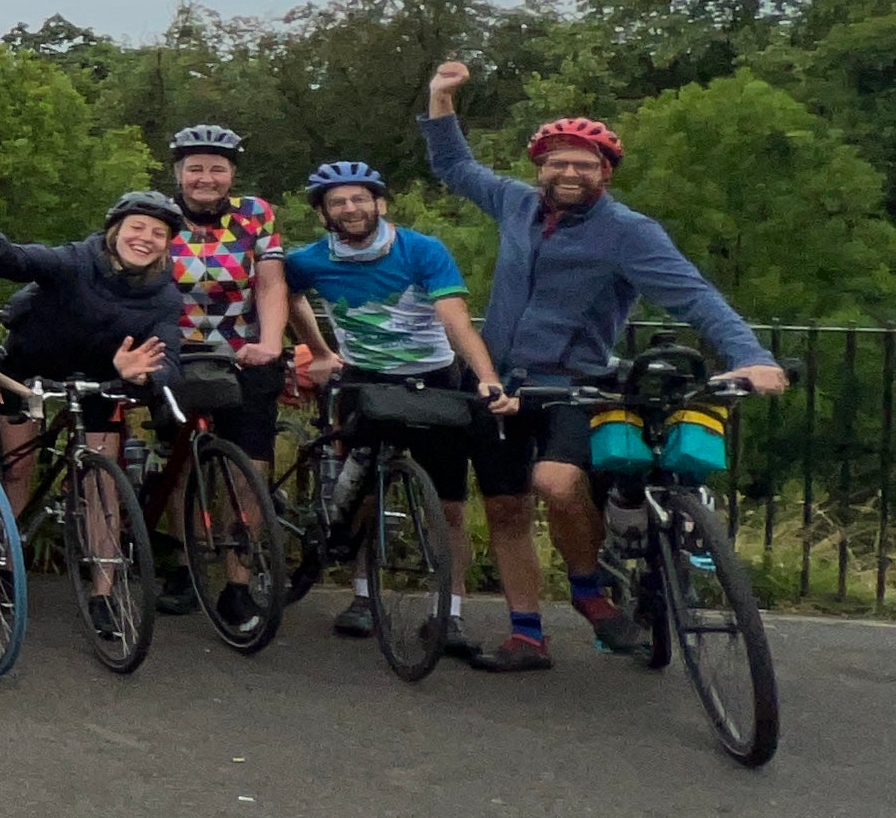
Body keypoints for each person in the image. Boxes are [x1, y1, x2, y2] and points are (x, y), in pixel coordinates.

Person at [422, 62, 789, 664]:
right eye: (557, 162)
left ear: (605, 173)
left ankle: (589, 592)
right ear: (539, 168)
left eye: (584, 164)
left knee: (556, 483)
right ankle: (527, 634)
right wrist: (440, 98)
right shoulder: (516, 205)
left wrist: (749, 356)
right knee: (506, 506)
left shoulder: (629, 232)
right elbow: (454, 167)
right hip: (495, 382)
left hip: (573, 385)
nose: (569, 172)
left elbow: (695, 296)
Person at [281, 160, 519, 653]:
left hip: (433, 378)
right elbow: (287, 295)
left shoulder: (422, 251)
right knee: (364, 493)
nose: (350, 208)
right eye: (338, 202)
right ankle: (364, 596)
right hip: (364, 380)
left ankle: (448, 615)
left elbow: (455, 322)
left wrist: (487, 378)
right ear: (324, 214)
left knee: (450, 507)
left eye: (360, 199)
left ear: (380, 203)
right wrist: (321, 350)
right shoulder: (307, 260)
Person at [0, 186, 181, 500]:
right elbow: (22, 261)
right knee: (16, 471)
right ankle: (8, 546)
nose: (146, 238)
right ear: (115, 231)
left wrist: (142, 375)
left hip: (98, 380)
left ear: (167, 245)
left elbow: (168, 357)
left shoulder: (166, 298)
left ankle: (103, 552)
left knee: (100, 482)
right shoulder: (77, 260)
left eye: (158, 233)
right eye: (137, 227)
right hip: (29, 368)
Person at [149, 122, 290, 614]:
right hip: (176, 351)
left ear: (232, 174)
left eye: (216, 169)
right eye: (195, 169)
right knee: (181, 461)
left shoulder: (256, 215)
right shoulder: (159, 215)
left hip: (242, 350)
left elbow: (271, 284)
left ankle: (239, 581)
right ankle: (188, 567)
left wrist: (270, 343)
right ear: (178, 174)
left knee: (248, 464)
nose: (205, 178)